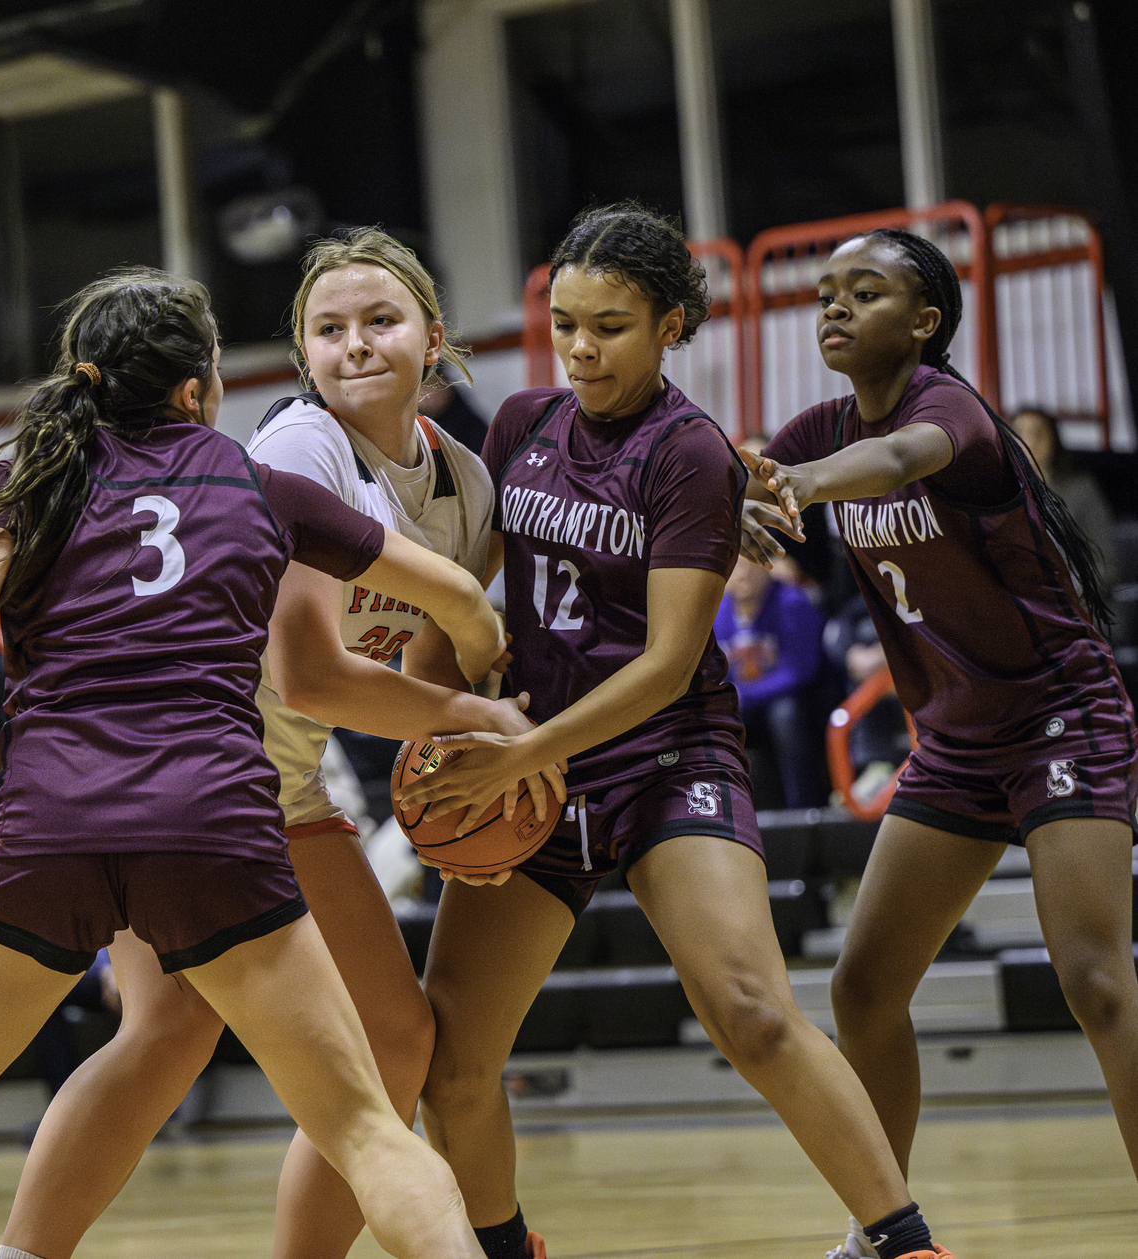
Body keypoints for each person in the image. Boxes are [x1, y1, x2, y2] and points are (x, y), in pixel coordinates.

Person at [0, 267, 501, 1259]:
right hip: (214, 827)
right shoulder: (257, 479)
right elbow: (447, 586)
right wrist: (483, 663)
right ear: (200, 386)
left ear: (86, 375)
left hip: (49, 827)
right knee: (363, 1122)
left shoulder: (28, 477)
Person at [397, 203, 955, 1259]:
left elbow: (663, 665)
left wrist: (522, 748)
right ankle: (507, 1246)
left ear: (673, 325)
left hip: (663, 753)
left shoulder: (689, 452)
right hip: (535, 770)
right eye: (564, 321)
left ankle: (902, 1241)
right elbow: (463, 596)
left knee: (750, 1006)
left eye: (608, 323)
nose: (579, 347)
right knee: (454, 1060)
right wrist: (443, 721)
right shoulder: (517, 424)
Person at [0, 228, 561, 1259]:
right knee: (173, 1033)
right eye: (328, 327)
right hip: (184, 767)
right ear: (302, 355)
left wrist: (458, 796)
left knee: (392, 1040)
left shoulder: (467, 489)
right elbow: (308, 673)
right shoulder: (299, 447)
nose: (355, 343)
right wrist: (480, 719)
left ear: (433, 338)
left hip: (275, 782)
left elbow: (428, 681)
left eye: (380, 320)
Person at [742, 227, 1137, 1259]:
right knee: (864, 984)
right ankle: (884, 1229)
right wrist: (724, 489)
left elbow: (893, 460)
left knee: (1095, 978)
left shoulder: (945, 410)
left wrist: (805, 482)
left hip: (1061, 714)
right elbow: (751, 473)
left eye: (862, 292)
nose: (833, 306)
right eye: (825, 293)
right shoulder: (822, 421)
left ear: (923, 321)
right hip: (957, 739)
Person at [714, 557, 828, 808]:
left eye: (747, 565)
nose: (741, 574)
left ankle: (804, 807)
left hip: (795, 702)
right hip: (742, 704)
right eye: (733, 567)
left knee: (785, 714)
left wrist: (743, 694)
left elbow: (801, 671)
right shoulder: (717, 611)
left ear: (767, 568)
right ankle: (724, 811)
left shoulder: (793, 603)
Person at [1009, 406, 1115, 587]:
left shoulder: (1081, 489)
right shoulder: (1001, 491)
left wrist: (1064, 594)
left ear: (1054, 440)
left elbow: (1106, 564)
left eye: (1038, 433)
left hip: (1074, 598)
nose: (1029, 441)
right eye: (1020, 433)